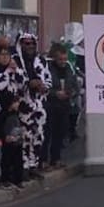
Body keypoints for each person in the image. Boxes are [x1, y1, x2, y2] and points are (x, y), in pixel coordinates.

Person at [14, 32, 51, 177]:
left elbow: (48, 79)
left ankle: (33, 165)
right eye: (27, 43)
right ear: (20, 44)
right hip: (23, 104)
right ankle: (23, 167)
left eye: (33, 44)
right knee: (24, 136)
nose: (30, 46)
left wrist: (44, 87)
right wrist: (28, 83)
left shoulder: (41, 60)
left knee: (38, 135)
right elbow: (12, 81)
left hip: (39, 104)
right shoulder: (15, 60)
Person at [0, 41, 27, 189]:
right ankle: (4, 178)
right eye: (1, 55)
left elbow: (22, 86)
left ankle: (17, 177)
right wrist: (8, 72)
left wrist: (16, 71)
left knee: (17, 145)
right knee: (6, 146)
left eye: (7, 54)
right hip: (1, 114)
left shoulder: (14, 71)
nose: (5, 57)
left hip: (14, 114)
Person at [44, 41, 78, 170]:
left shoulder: (69, 68)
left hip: (64, 105)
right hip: (50, 105)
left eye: (65, 59)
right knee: (47, 133)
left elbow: (75, 85)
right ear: (54, 58)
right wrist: (55, 93)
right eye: (60, 59)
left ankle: (56, 158)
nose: (63, 62)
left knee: (60, 133)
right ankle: (44, 160)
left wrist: (71, 93)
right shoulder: (47, 68)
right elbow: (45, 86)